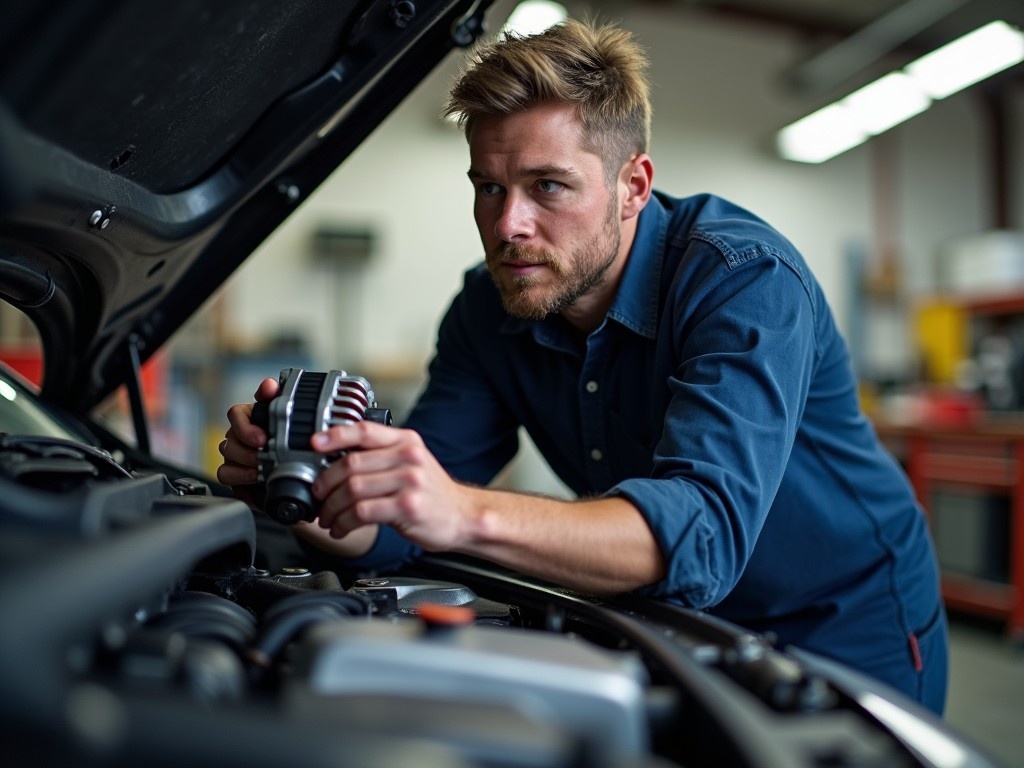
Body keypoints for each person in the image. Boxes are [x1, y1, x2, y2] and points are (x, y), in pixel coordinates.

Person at [218, 18, 948, 713]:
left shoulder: (744, 280)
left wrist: (461, 509)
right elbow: (409, 519)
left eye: (549, 186)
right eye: (489, 187)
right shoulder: (488, 309)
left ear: (632, 186)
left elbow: (700, 532)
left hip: (846, 621)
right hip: (676, 627)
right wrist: (315, 497)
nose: (509, 225)